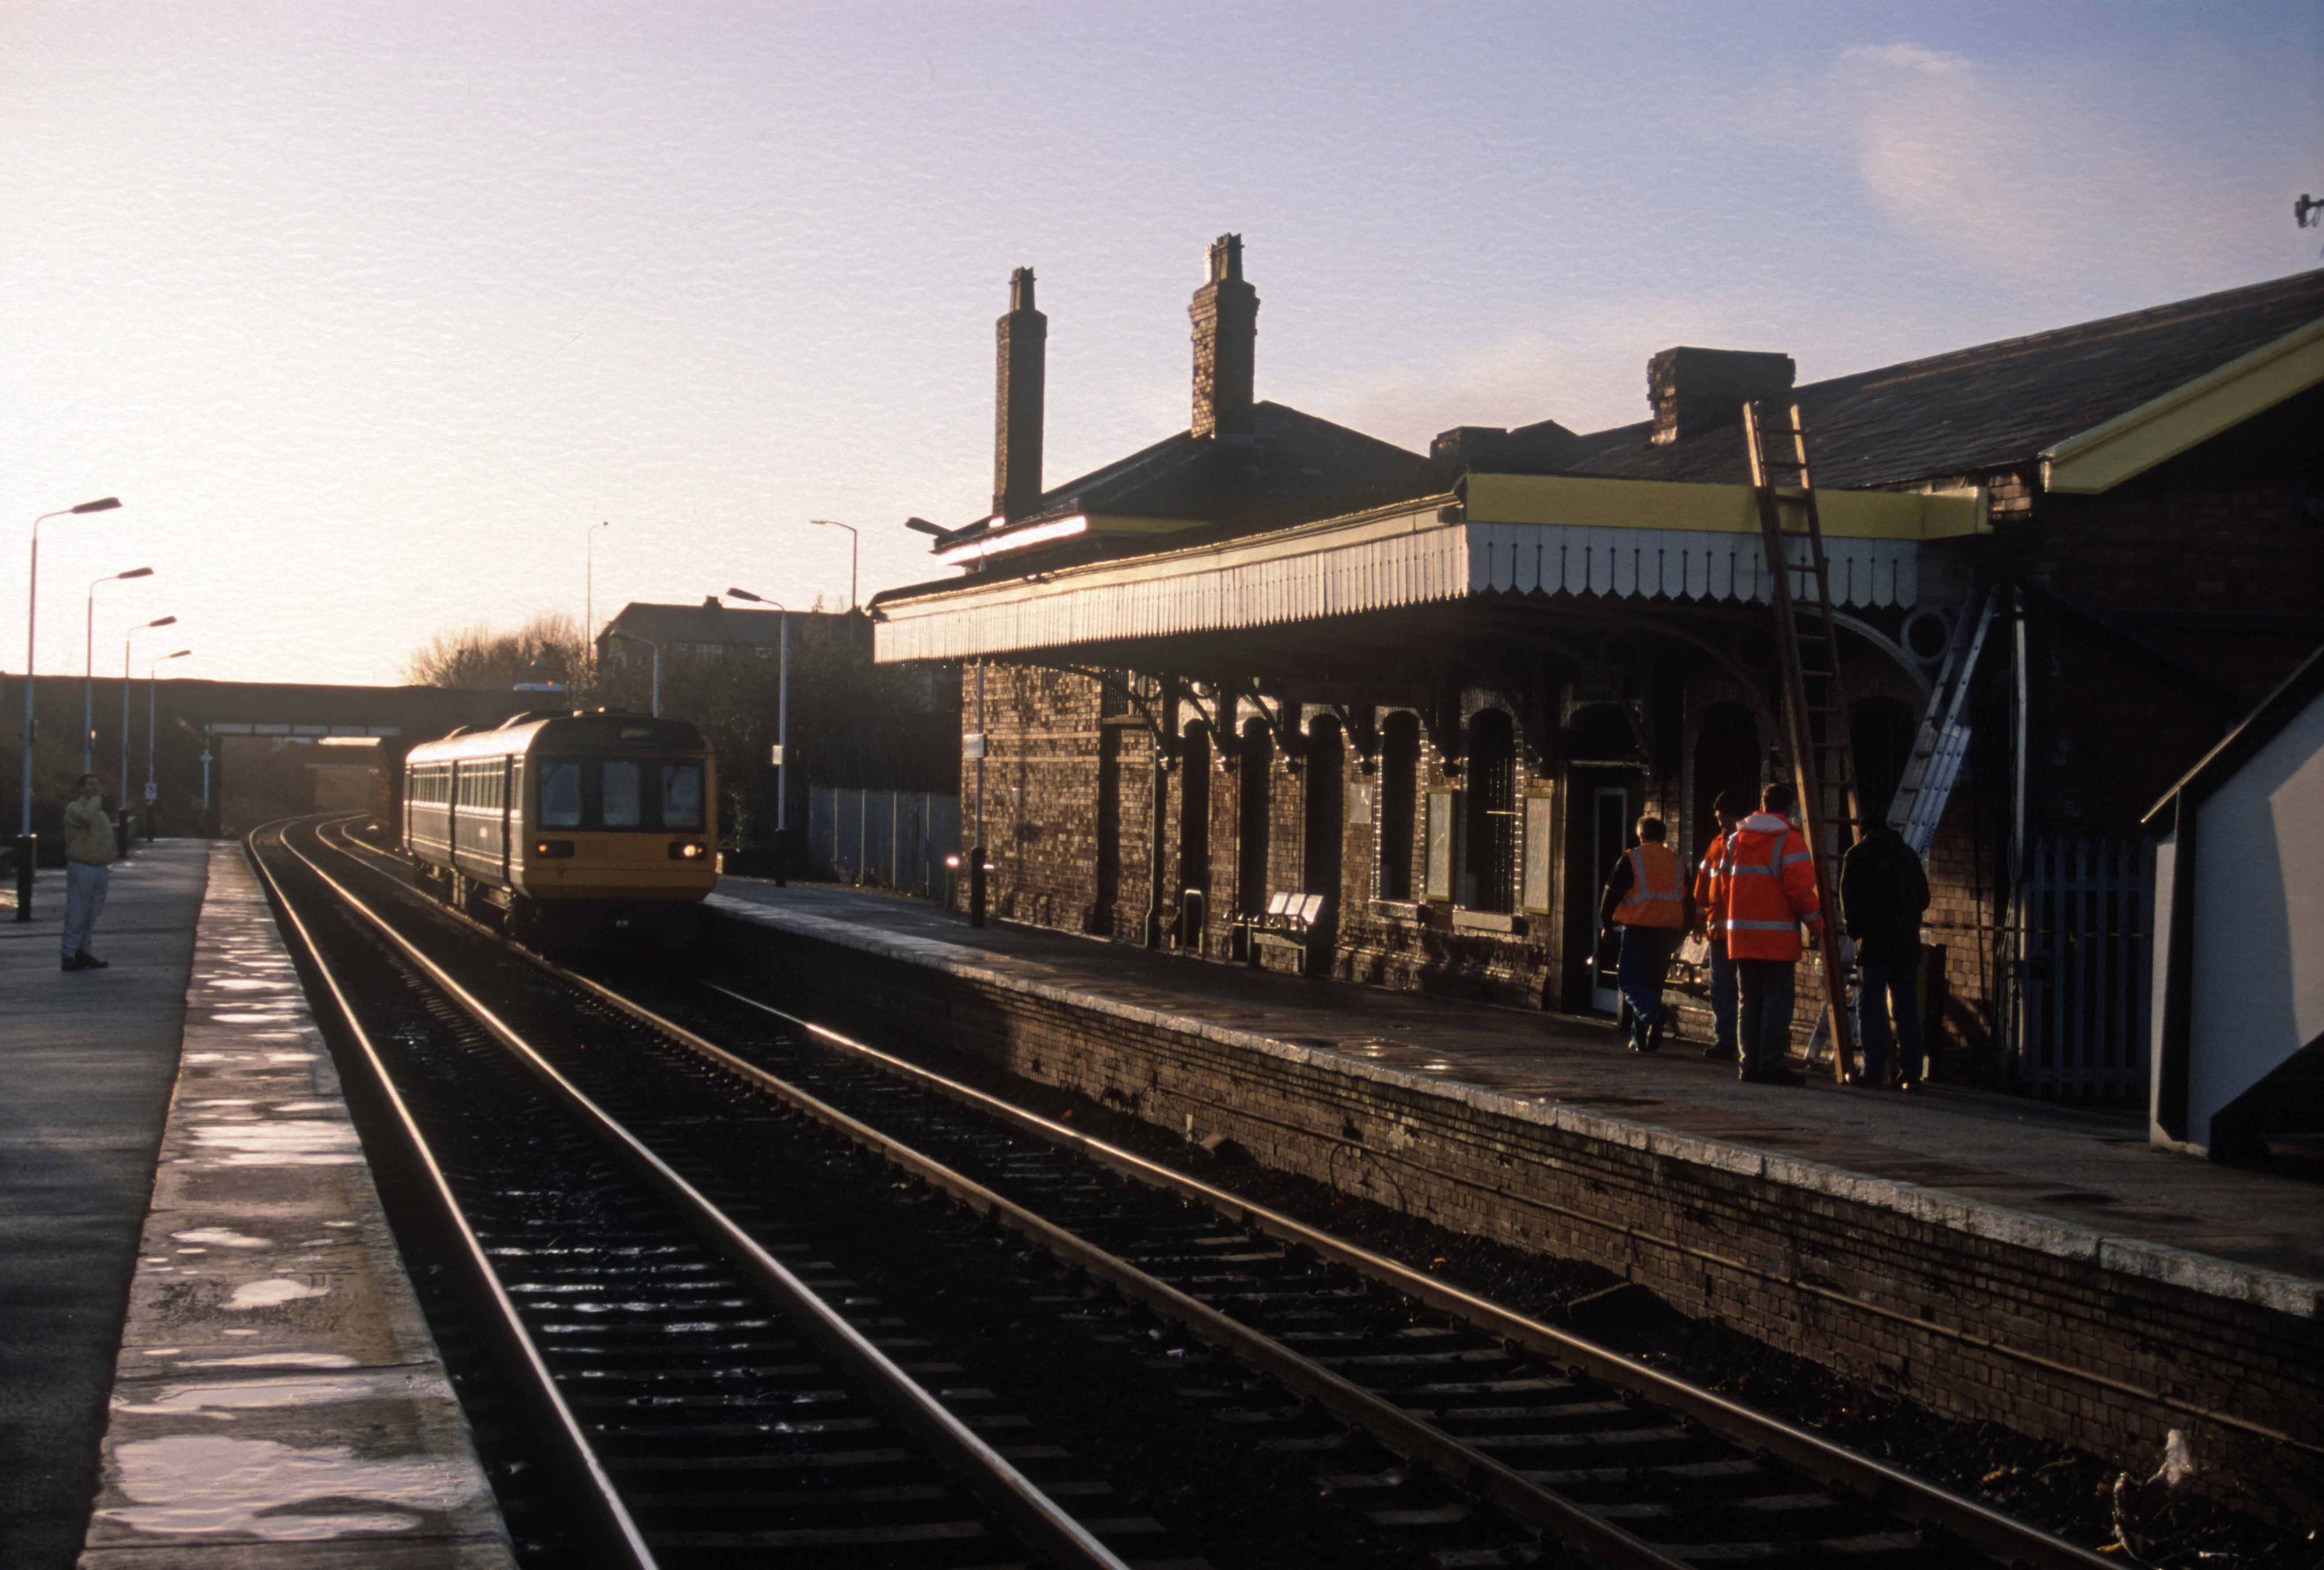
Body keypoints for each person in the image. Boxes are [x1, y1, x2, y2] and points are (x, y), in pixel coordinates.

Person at [1719, 781, 1821, 1085]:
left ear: (1762, 805)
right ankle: (1771, 1065)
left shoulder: (1735, 840)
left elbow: (1724, 888)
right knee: (1777, 1003)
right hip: (1777, 940)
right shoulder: (1789, 841)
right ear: (1789, 809)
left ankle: (1748, 1065)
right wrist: (1817, 925)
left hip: (1742, 937)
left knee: (1748, 1002)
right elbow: (1800, 891)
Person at [1841, 821, 1931, 1088]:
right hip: (1906, 944)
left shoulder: (1857, 856)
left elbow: (1848, 901)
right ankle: (1911, 1072)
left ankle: (1874, 1070)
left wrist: (1856, 932)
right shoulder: (1908, 855)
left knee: (1871, 1008)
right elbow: (1924, 898)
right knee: (1906, 1009)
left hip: (1874, 944)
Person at [1599, 815, 1693, 1053]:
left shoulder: (1632, 858)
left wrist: (1606, 925)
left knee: (1629, 981)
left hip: (1639, 930)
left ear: (1641, 835)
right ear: (1663, 837)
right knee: (1652, 986)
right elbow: (1689, 902)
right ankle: (1642, 1040)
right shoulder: (1678, 861)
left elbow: (1611, 893)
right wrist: (1683, 934)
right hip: (1668, 934)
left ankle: (1654, 1014)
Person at [1692, 790, 1747, 1062]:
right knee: (1723, 987)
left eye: (1720, 815)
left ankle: (1737, 1042)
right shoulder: (1716, 843)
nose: (1718, 820)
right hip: (1720, 931)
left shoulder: (1745, 842)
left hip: (1743, 931)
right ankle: (1725, 1040)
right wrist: (1699, 922)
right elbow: (1704, 885)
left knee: (1739, 989)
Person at [61, 773, 118, 972]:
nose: (95, 789)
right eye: (90, 785)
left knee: (92, 913)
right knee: (78, 911)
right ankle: (69, 954)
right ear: (80, 789)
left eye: (97, 785)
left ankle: (83, 952)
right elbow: (87, 817)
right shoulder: (74, 809)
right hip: (82, 866)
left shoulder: (100, 814)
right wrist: (97, 800)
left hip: (99, 868)